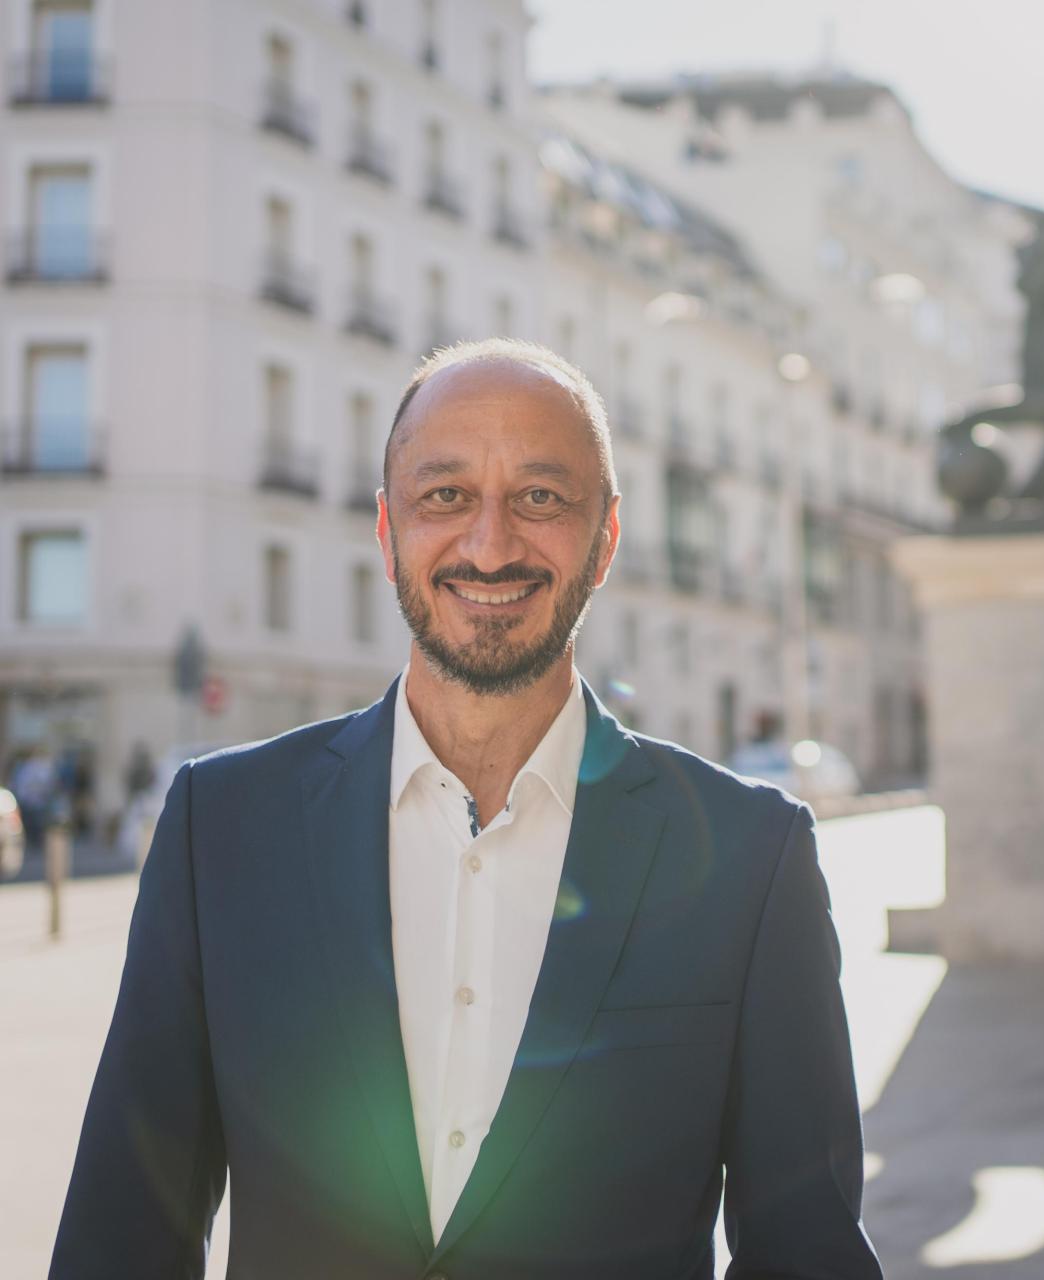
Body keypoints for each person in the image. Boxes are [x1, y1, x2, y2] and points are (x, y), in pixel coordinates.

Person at [50, 339, 883, 1279]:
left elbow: (807, 1248)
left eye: (540, 498)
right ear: (387, 529)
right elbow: (123, 1232)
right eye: (445, 496)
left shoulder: (751, 856)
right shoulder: (220, 828)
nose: (490, 545)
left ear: (605, 539)